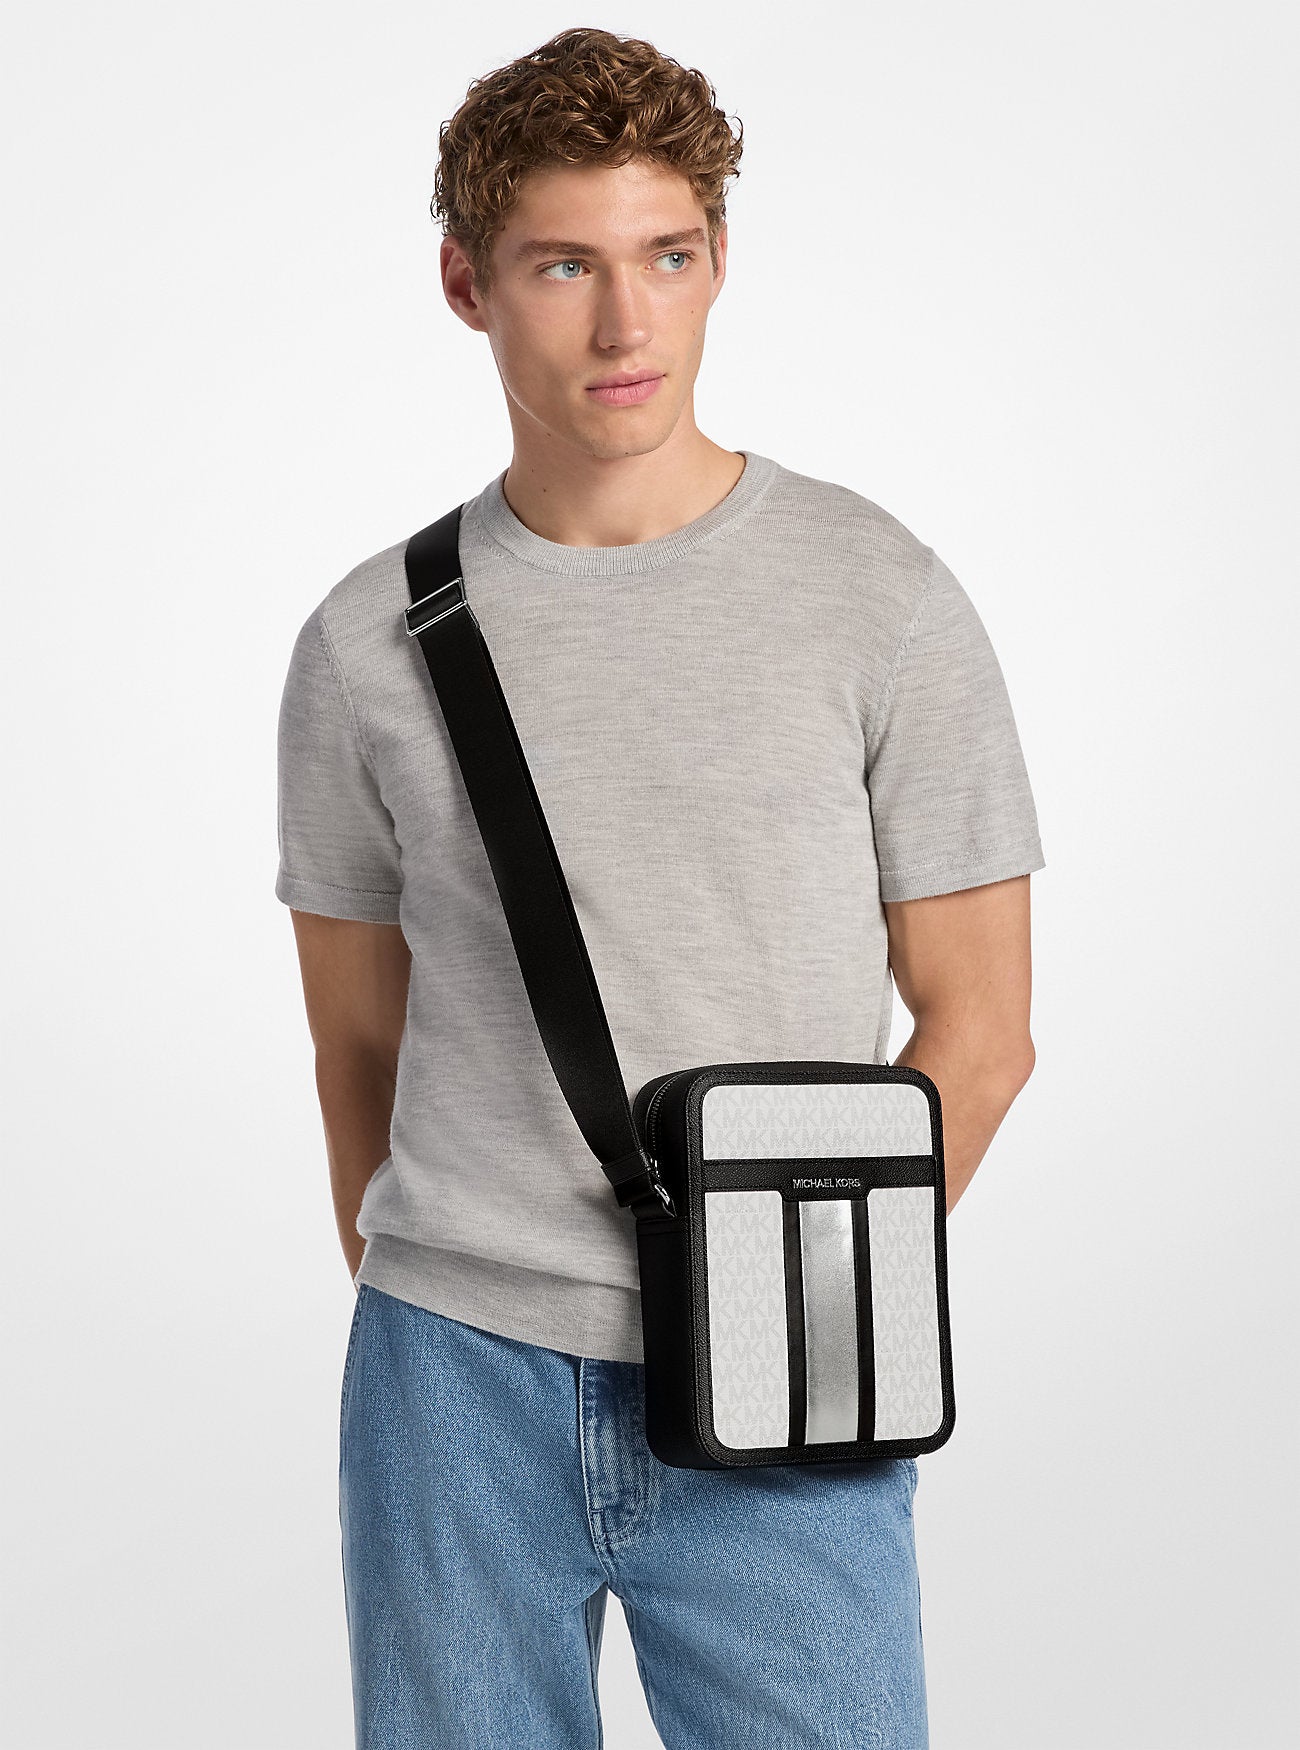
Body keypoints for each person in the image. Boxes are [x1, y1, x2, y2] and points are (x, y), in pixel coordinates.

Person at [274, 25, 1044, 1750]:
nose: (628, 324)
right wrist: (444, 1305)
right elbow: (355, 1049)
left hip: (794, 1367)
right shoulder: (366, 642)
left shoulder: (880, 595)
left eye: (667, 257)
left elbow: (982, 1031)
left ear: (719, 260)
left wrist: (800, 1282)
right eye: (565, 265)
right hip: (454, 1375)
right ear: (467, 284)